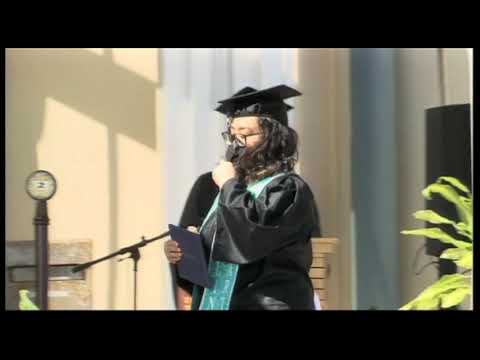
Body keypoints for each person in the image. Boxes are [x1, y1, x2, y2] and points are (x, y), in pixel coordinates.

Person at [165, 85, 321, 310]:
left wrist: (229, 184)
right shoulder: (220, 190)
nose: (236, 143)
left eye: (246, 134)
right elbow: (215, 271)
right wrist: (186, 255)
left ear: (273, 137)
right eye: (232, 135)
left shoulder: (288, 189)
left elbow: (250, 239)